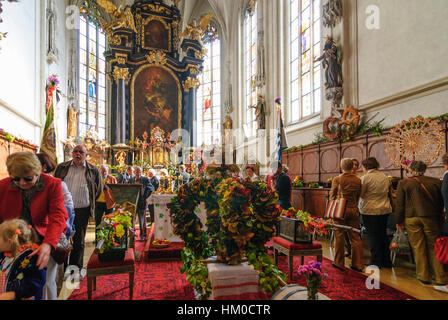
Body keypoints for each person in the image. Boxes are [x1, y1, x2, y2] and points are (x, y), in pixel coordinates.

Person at [0, 152, 67, 274]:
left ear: (38, 172)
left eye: (28, 178)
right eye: (16, 179)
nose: (22, 183)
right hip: (11, 242)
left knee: (45, 282)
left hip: (44, 237)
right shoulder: (2, 186)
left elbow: (58, 216)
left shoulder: (52, 184)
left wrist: (48, 244)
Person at [395, 161, 447, 288]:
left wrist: (398, 221)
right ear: (424, 170)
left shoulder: (404, 183)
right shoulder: (435, 182)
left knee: (418, 246)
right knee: (434, 246)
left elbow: (400, 204)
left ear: (411, 170)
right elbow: (441, 202)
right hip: (431, 217)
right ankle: (440, 277)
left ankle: (423, 276)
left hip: (411, 218)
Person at [54, 145, 103, 270]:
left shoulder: (93, 170)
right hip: (62, 210)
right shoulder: (62, 167)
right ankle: (62, 268)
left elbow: (98, 189)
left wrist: (88, 200)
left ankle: (74, 270)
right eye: (75, 151)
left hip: (82, 210)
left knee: (79, 242)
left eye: (81, 152)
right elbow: (54, 185)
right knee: (61, 240)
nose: (78, 154)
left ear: (86, 155)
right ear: (72, 153)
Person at [36, 153, 74, 300]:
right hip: (32, 238)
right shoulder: (19, 184)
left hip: (53, 234)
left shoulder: (55, 184)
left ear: (43, 167)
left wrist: (66, 230)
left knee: (48, 280)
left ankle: (72, 277)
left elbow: (67, 210)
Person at [330, 158, 364, 272]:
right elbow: (359, 195)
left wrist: (332, 208)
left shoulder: (338, 179)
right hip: (354, 210)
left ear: (341, 167)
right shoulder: (358, 180)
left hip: (340, 210)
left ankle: (339, 263)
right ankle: (357, 264)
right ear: (352, 167)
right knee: (355, 237)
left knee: (339, 236)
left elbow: (332, 195)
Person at [359, 157, 393, 268]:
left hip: (370, 210)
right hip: (384, 209)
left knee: (373, 236)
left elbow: (362, 194)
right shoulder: (384, 177)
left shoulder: (365, 178)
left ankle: (375, 260)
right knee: (382, 235)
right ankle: (386, 260)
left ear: (366, 166)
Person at [0, 219, 46, 300]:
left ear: (9, 241)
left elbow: (36, 282)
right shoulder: (4, 255)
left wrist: (13, 294)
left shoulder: (32, 257)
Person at [134, 167, 155, 241]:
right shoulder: (131, 179)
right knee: (132, 220)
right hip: (132, 203)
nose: (138, 173)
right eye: (136, 172)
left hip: (141, 202)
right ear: (134, 172)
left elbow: (152, 188)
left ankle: (143, 235)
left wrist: (146, 196)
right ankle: (132, 235)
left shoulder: (145, 179)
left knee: (142, 220)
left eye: (139, 172)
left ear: (141, 172)